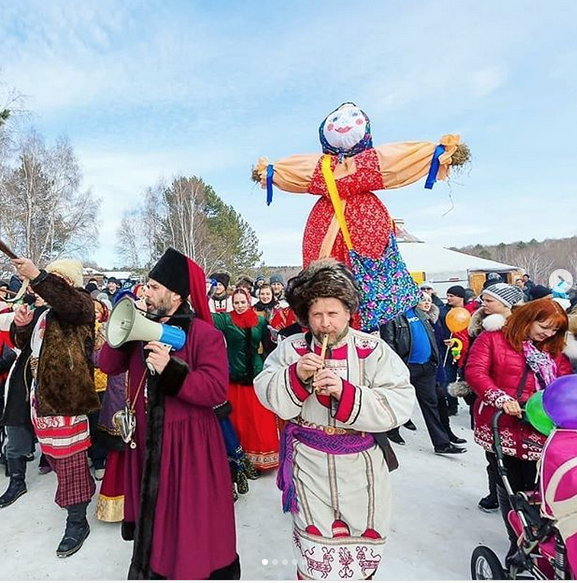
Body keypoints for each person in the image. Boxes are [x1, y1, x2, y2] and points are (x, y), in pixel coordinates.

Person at [254, 258, 415, 580]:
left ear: (348, 312)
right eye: (317, 314)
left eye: (333, 314)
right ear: (306, 316)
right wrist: (295, 376)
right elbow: (266, 388)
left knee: (362, 540)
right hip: (309, 460)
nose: (326, 323)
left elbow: (400, 401)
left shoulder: (374, 349)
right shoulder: (291, 349)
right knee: (316, 548)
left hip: (362, 464)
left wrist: (347, 392)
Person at [99, 247, 239, 579]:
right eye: (146, 285)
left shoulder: (205, 335)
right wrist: (120, 333)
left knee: (185, 523)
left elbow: (216, 389)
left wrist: (172, 370)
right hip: (149, 440)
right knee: (154, 520)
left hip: (188, 446)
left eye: (154, 287)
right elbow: (107, 364)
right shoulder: (140, 327)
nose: (145, 292)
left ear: (175, 295)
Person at [465, 298, 573, 565]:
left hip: (542, 424)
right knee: (510, 483)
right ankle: (518, 538)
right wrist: (500, 398)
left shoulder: (552, 348)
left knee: (542, 486)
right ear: (528, 317)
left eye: (554, 330)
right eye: (544, 326)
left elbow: (564, 379)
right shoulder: (493, 338)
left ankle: (544, 538)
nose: (547, 334)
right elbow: (476, 371)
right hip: (502, 421)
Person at [8, 257, 100, 558]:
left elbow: (67, 302)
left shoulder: (81, 305)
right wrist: (21, 326)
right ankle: (74, 508)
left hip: (67, 399)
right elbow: (27, 346)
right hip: (42, 397)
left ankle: (77, 522)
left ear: (68, 283)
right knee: (57, 460)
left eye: (56, 279)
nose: (48, 284)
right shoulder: (46, 313)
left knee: (72, 462)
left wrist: (37, 275)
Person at [380, 292, 466, 454]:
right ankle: (392, 430)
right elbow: (389, 343)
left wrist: (436, 356)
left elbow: (429, 335)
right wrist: (398, 367)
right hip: (406, 367)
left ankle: (442, 444)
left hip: (427, 367)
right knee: (399, 401)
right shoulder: (392, 316)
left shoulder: (420, 313)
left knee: (431, 405)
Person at [466, 283, 525, 512]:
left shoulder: (531, 332)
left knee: (528, 471)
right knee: (499, 464)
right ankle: (505, 508)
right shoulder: (487, 333)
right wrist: (498, 397)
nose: (483, 304)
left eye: (489, 300)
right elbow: (475, 370)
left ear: (506, 304)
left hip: (530, 411)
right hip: (497, 410)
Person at [212, 288, 278, 471]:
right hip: (235, 375)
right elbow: (204, 317)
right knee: (237, 418)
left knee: (257, 419)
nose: (239, 306)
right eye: (236, 303)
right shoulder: (226, 319)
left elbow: (268, 346)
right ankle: (239, 458)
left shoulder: (261, 321)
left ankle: (261, 458)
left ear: (249, 302)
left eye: (242, 302)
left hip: (256, 375)